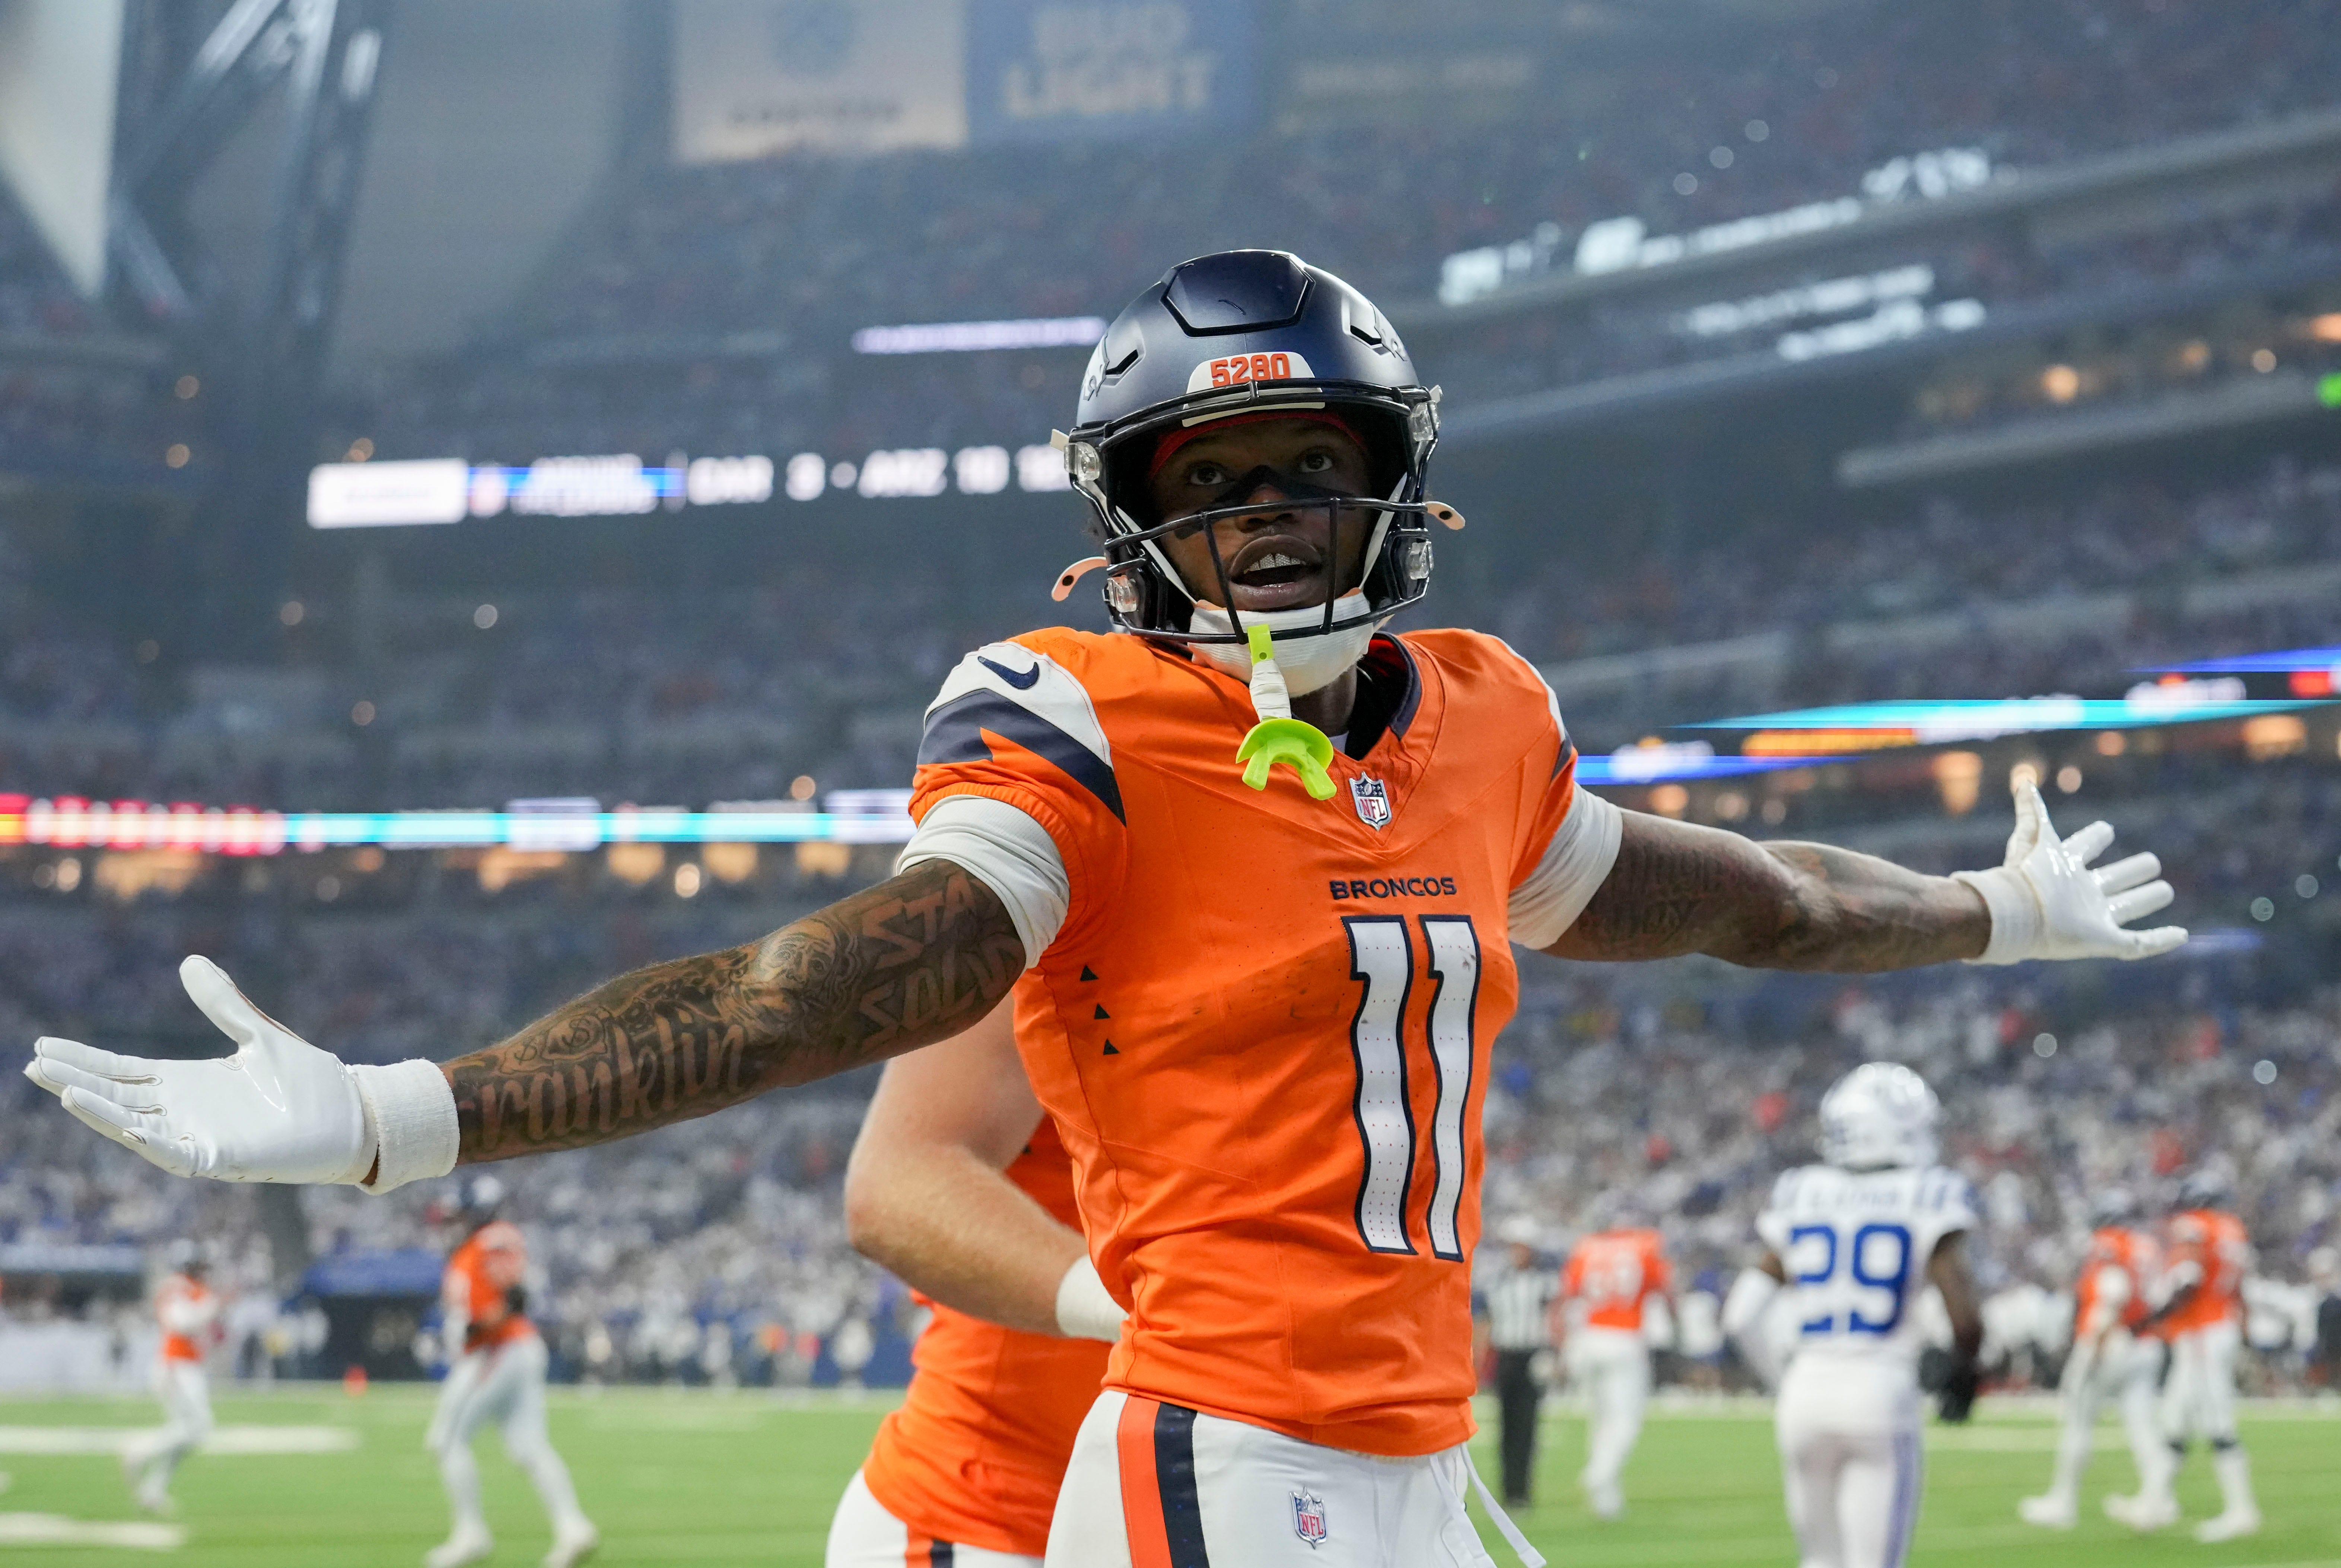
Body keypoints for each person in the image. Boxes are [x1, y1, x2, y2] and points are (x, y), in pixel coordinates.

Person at [25, 249, 2186, 1568]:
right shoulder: (1073, 720)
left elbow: (1755, 898)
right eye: (1204, 484)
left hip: (1398, 1423)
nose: (1260, 521)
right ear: (1128, 520)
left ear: (1394, 471)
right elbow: (825, 986)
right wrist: (414, 1110)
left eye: (1304, 464)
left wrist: (1983, 910)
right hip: (1223, 1437)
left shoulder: (1483, 718)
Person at [828, 997, 1123, 1566]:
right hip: (997, 1515)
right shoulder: (1063, 924)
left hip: (1229, 1486)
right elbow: (894, 1186)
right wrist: (1155, 1306)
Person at [1723, 1064, 1982, 1568]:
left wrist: (1788, 1379)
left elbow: (1739, 1316)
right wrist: (1964, 1371)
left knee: (1819, 1558)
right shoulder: (1926, 1191)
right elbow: (1965, 1317)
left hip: (1807, 1388)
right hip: (1879, 1385)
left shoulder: (1801, 1190)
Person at [422, 1175, 597, 1568]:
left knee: (446, 1440)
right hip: (507, 1349)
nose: (456, 1221)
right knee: (528, 1446)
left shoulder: (493, 1238)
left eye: (462, 1213)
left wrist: (480, 1326)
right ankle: (573, 1526)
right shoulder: (472, 1247)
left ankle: (471, 1533)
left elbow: (514, 1296)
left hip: (497, 1349)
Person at [2109, 1170, 2258, 1541]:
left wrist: (2151, 1318)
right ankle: (2152, 1503)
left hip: (2201, 1332)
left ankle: (2241, 1510)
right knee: (2174, 1420)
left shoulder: (2195, 1225)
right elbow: (2239, 1286)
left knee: (2217, 1421)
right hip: (2219, 1325)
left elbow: (2188, 1277)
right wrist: (2243, 1328)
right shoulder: (2232, 1228)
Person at [2017, 1189, 2167, 1529]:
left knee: (2078, 1421)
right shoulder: (2146, 1247)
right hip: (2144, 1342)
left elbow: (2113, 1292)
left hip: (2110, 1340)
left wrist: (2096, 1342)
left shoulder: (2109, 1244)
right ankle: (2159, 1500)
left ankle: (2063, 1501)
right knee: (2142, 1425)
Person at [1561, 1215, 1672, 1519]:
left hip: (1589, 1336)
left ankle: (1607, 1499)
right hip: (1625, 1337)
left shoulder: (1586, 1247)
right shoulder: (1644, 1245)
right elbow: (1661, 1285)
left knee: (1600, 1420)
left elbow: (1570, 1291)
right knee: (1625, 1421)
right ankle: (1599, 1472)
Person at [122, 1240, 220, 1514]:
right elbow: (182, 1324)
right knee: (200, 1426)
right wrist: (207, 1310)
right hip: (179, 1365)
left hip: (179, 1364)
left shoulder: (175, 1287)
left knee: (186, 1432)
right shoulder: (185, 1289)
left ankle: (153, 1491)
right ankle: (140, 1450)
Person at [1472, 1217, 1556, 1512]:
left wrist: (1555, 1355)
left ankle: (1523, 1492)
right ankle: (1508, 1491)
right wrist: (1479, 1362)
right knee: (1506, 1428)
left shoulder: (1543, 1282)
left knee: (1528, 1427)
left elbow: (1553, 1320)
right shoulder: (1497, 1282)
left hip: (1531, 1356)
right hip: (1506, 1357)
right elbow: (1485, 1323)